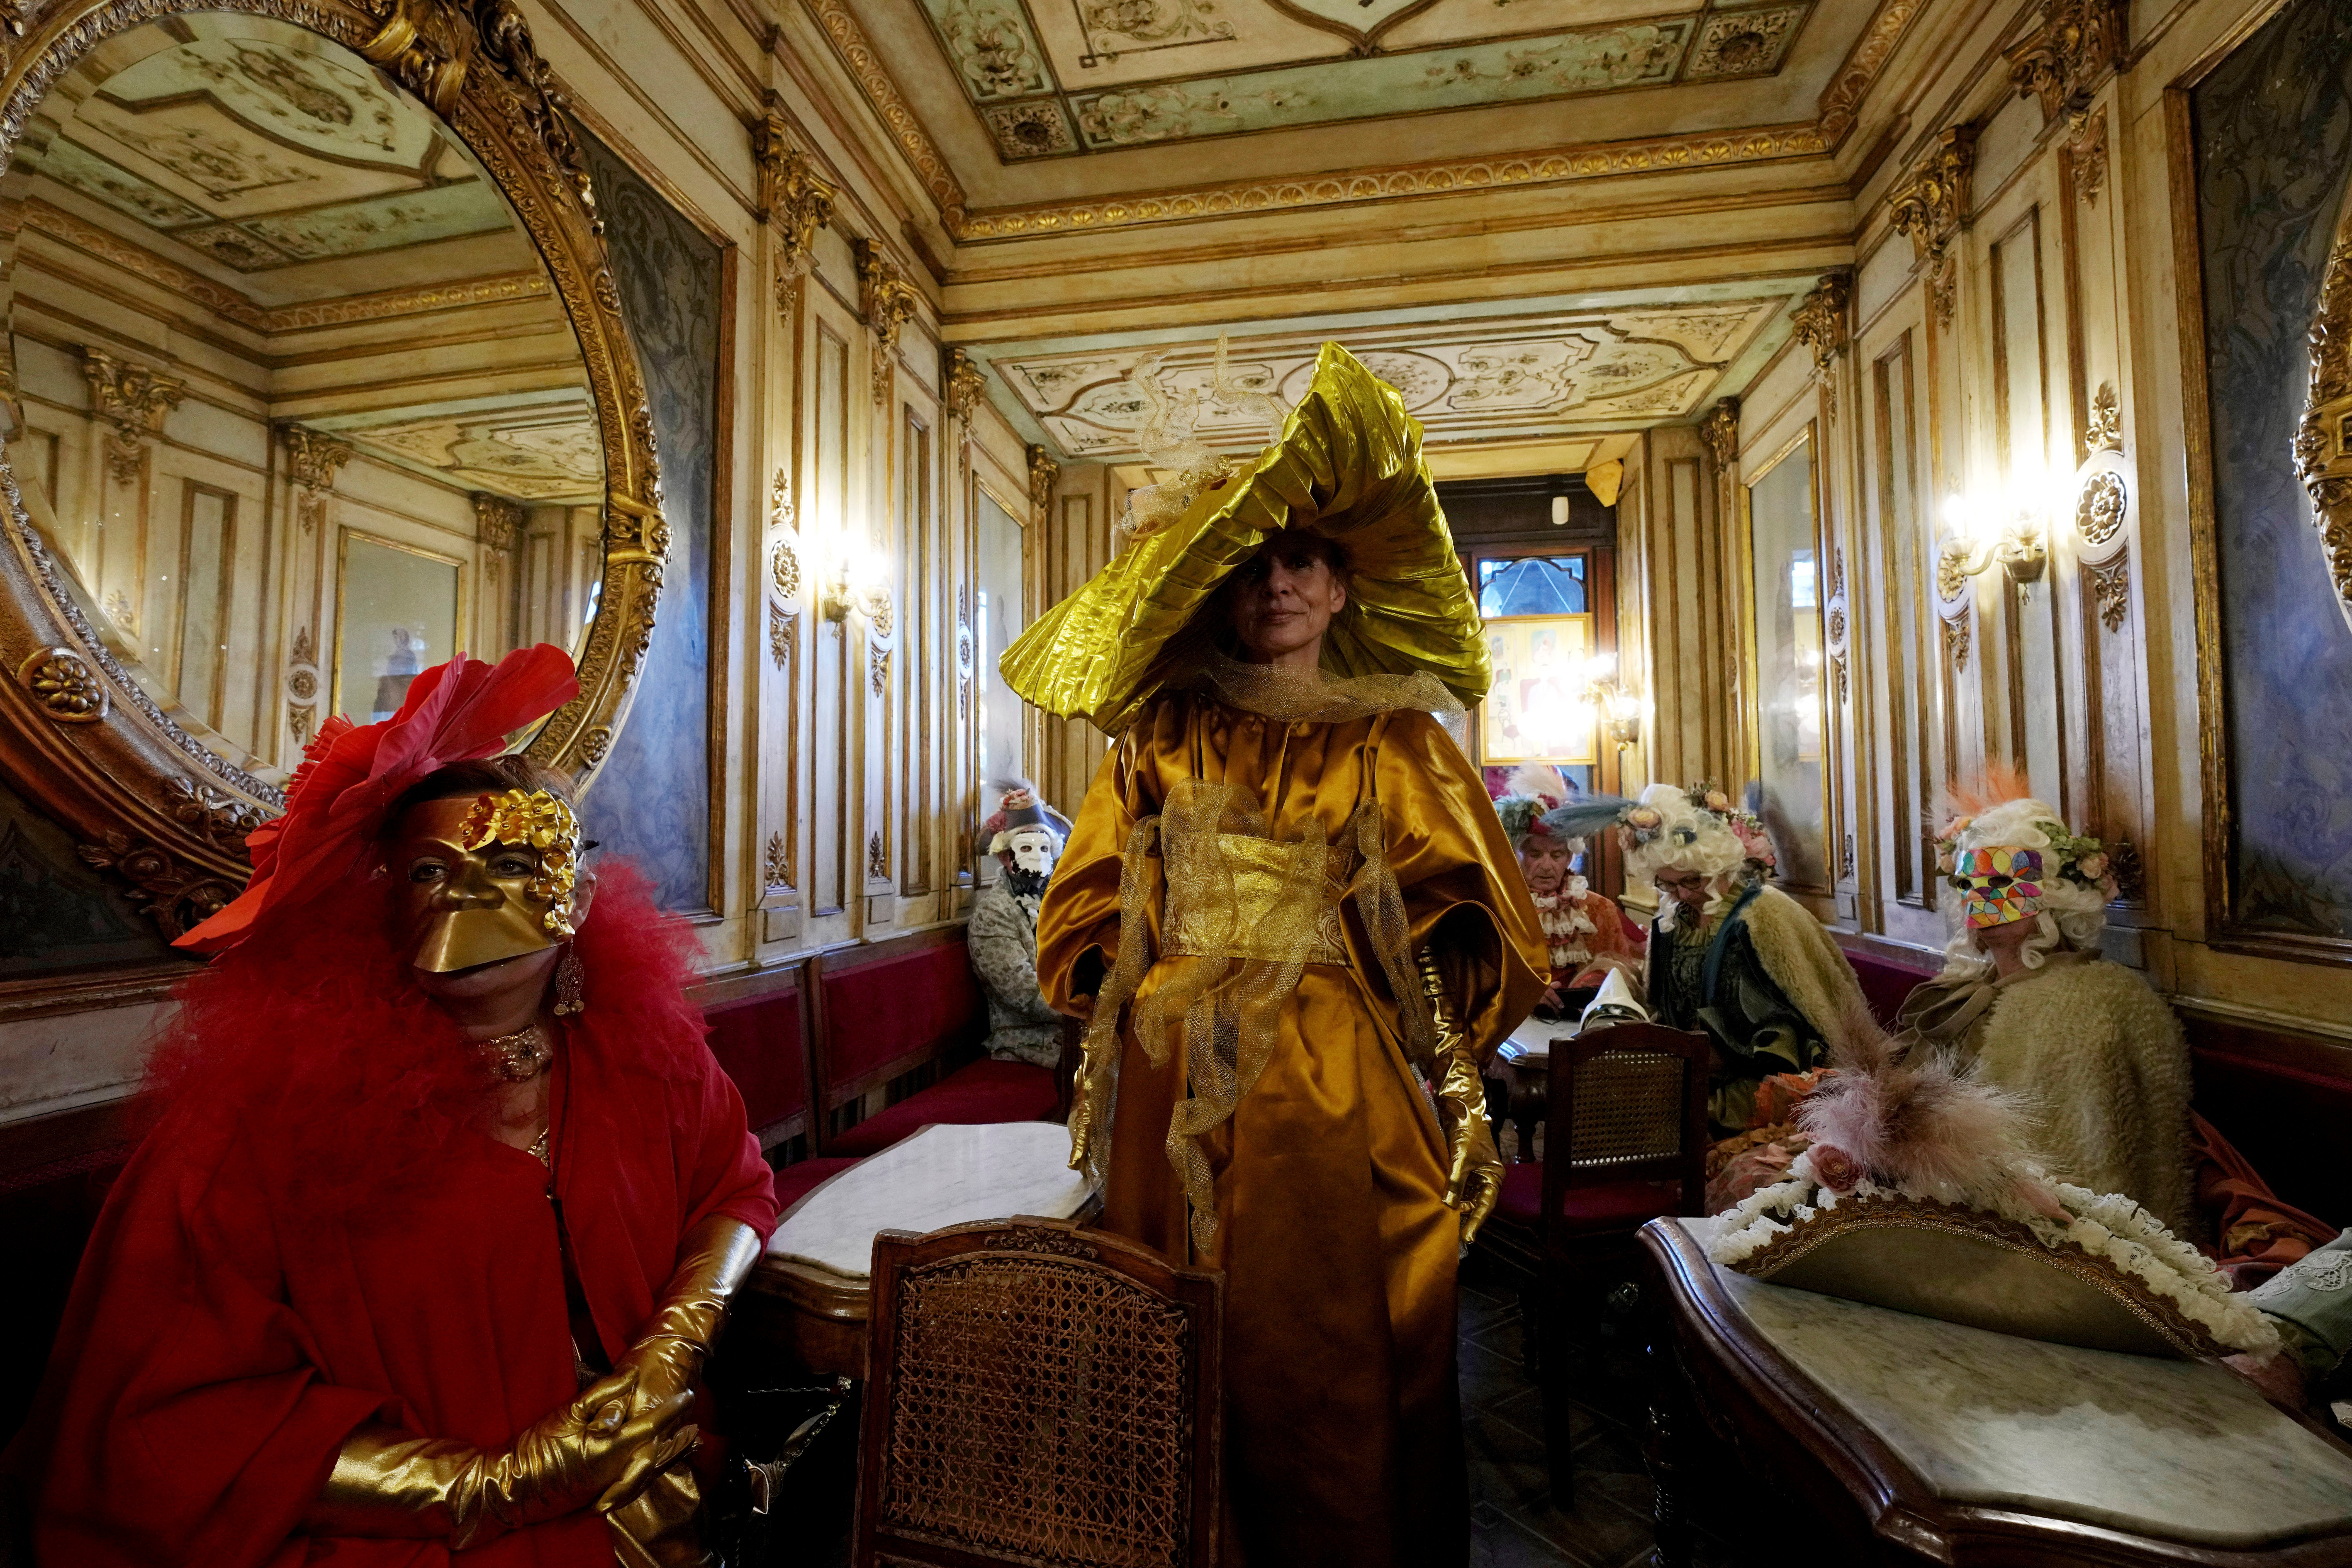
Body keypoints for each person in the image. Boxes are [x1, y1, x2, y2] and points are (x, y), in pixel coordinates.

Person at [10, 645, 778, 1566]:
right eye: (427, 871)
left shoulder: (647, 1053)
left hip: (666, 1500)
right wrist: (505, 1481)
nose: (468, 895)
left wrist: (672, 1350)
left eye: (513, 861)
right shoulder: (264, 1121)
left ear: (573, 891)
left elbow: (731, 1190)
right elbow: (176, 1422)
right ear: (384, 894)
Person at [1007, 343, 1547, 1568]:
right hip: (1170, 1077)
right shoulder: (1161, 732)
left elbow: (1482, 923)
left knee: (1332, 1337)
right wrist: (1131, 989)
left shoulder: (1396, 738)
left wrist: (1415, 1010)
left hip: (1330, 1082)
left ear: (1343, 584)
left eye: (1299, 557)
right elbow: (1084, 900)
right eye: (1249, 562)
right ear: (1213, 586)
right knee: (1170, 1322)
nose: (1275, 584)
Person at [1896, 792, 2198, 1237]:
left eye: (2000, 883)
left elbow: (2080, 1161)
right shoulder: (1962, 993)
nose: (1980, 900)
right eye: (1967, 885)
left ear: (2054, 891)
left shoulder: (2091, 1003)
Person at [1544, 782, 1876, 1134]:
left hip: (1759, 1077)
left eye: (1692, 881)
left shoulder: (1767, 914)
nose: (1683, 894)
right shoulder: (1672, 918)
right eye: (1668, 885)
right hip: (1689, 1068)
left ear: (1719, 864)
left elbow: (1816, 1012)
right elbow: (1662, 1002)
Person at [1488, 763, 1637, 1006]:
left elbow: (1624, 979)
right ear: (1516, 855)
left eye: (1557, 856)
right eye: (1536, 855)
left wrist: (1593, 982)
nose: (1547, 866)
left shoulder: (1601, 910)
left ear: (1570, 857)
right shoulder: (1495, 909)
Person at [967, 780, 1073, 1069]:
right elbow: (1024, 993)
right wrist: (1092, 1008)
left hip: (1072, 1033)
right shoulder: (993, 914)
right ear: (1005, 856)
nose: (1037, 857)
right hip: (1029, 1043)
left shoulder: (1058, 900)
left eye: (1044, 848)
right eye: (1025, 847)